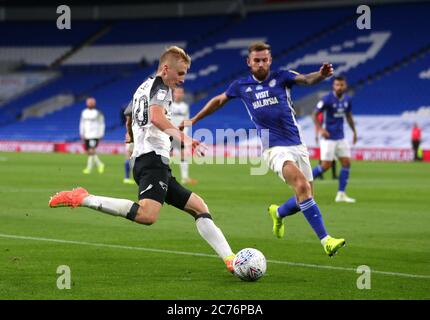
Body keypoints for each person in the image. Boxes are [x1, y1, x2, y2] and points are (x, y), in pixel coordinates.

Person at [49, 46, 236, 273]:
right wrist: (184, 138)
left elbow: (128, 115)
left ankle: (230, 259)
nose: (183, 80)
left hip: (151, 161)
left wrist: (129, 141)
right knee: (147, 215)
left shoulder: (143, 86)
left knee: (199, 207)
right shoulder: (162, 89)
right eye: (180, 73)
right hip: (152, 161)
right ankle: (83, 198)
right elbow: (157, 118)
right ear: (166, 69)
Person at [184, 41, 345, 257]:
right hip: (274, 148)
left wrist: (321, 75)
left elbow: (306, 79)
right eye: (256, 60)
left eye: (264, 60)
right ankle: (326, 240)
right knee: (302, 187)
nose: (260, 64)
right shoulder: (241, 86)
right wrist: (194, 118)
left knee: (305, 197)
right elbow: (219, 100)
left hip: (297, 144)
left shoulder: (283, 77)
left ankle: (278, 213)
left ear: (270, 60)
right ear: (249, 62)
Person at [311, 76, 357, 203]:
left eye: (341, 85)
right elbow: (314, 114)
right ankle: (303, 181)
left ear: (345, 86)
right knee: (325, 166)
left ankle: (341, 194)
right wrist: (320, 129)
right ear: (333, 86)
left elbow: (348, 116)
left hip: (341, 137)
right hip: (329, 138)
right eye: (337, 85)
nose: (339, 87)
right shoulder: (327, 99)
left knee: (347, 163)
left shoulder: (347, 99)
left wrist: (354, 132)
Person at [170, 87, 197, 185]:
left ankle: (185, 178)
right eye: (177, 92)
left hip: (181, 135)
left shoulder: (185, 106)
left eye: (181, 93)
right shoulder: (169, 105)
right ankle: (165, 176)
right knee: (167, 156)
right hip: (169, 134)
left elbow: (187, 121)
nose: (179, 94)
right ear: (174, 94)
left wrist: (184, 134)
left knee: (183, 154)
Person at [80, 97, 105, 174]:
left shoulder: (98, 113)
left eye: (91, 102)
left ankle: (89, 168)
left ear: (94, 103)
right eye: (88, 102)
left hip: (94, 135)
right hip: (86, 135)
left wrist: (101, 133)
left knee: (91, 150)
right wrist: (82, 133)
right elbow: (82, 123)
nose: (90, 104)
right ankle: (100, 164)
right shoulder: (84, 112)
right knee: (89, 152)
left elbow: (102, 123)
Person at [314, 112, 337, 180]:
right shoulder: (321, 114)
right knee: (324, 157)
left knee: (332, 157)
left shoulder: (331, 113)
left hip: (332, 138)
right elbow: (317, 125)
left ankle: (334, 175)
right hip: (325, 139)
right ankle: (319, 175)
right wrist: (317, 136)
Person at [122, 101, 135, 184]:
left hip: (135, 136)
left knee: (131, 156)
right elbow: (128, 123)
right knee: (129, 156)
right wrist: (128, 135)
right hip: (133, 136)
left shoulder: (131, 109)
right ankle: (127, 177)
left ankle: (127, 177)